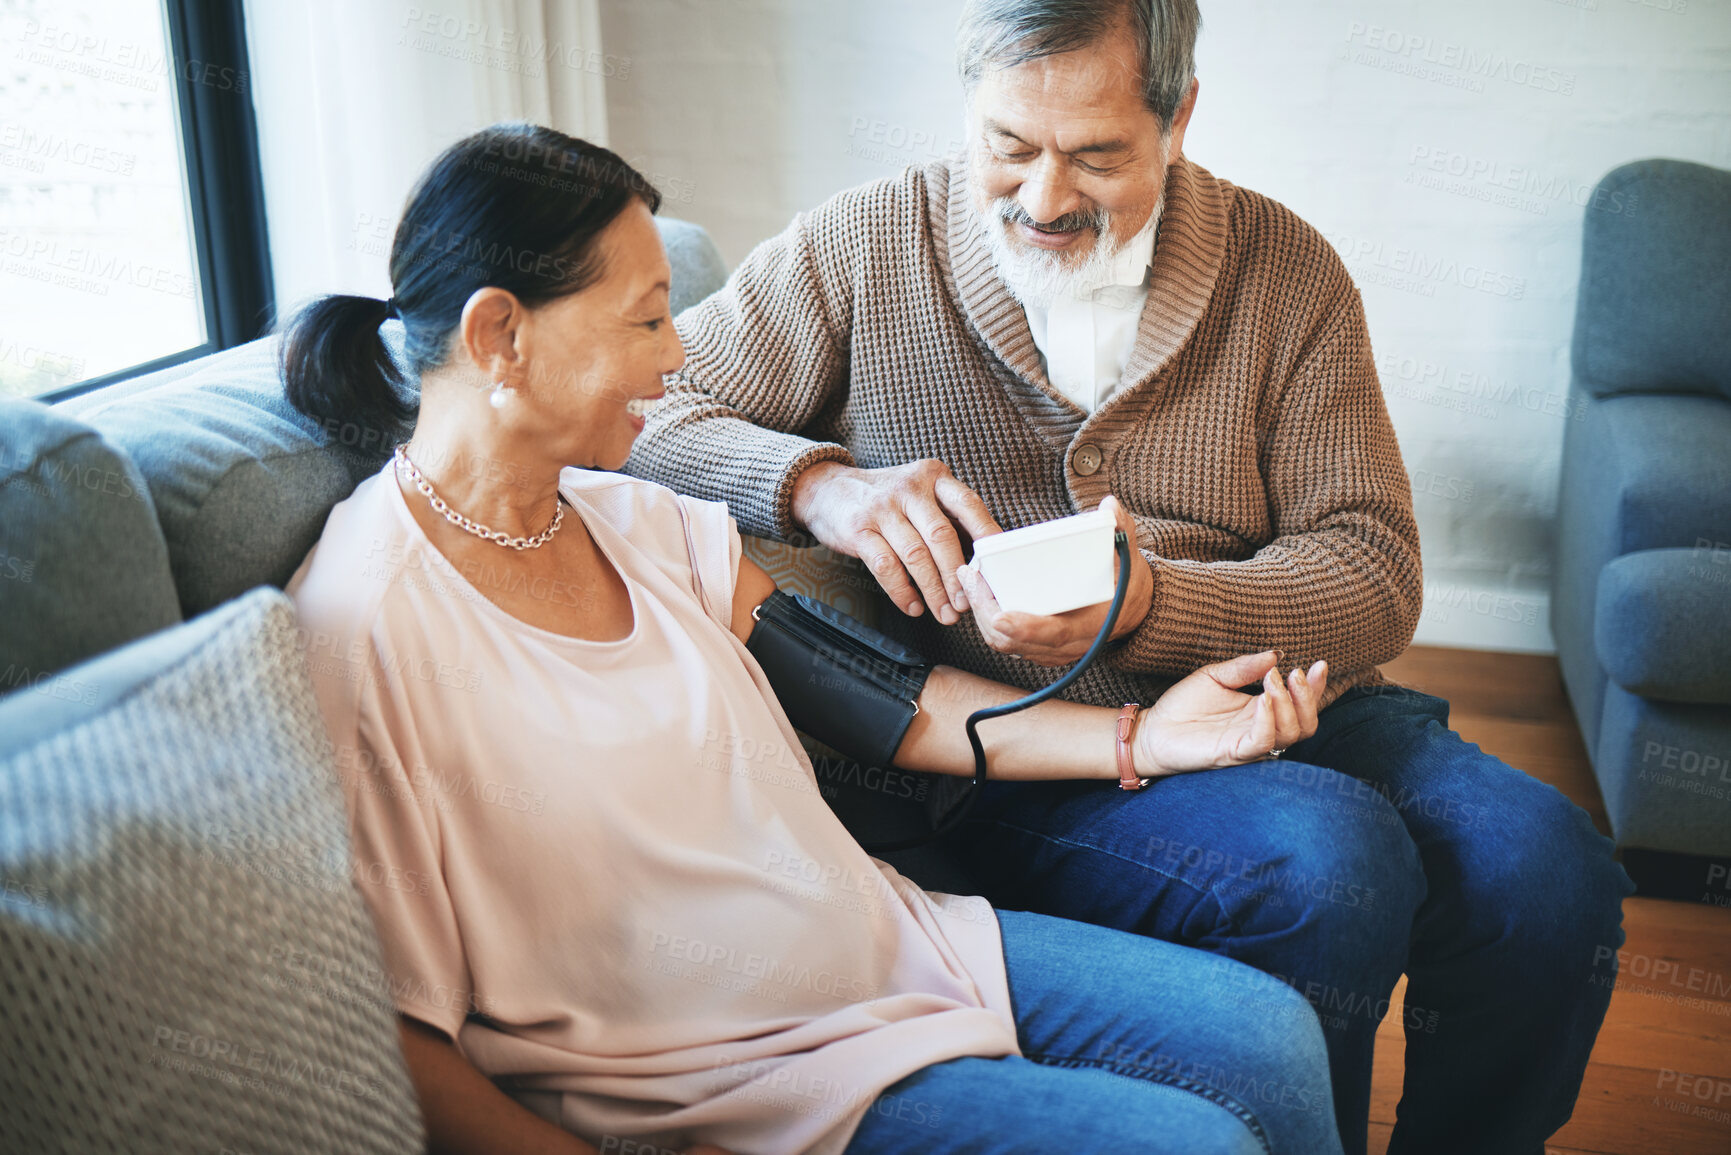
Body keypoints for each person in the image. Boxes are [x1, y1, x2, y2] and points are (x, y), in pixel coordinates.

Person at [619, 2, 1637, 1153]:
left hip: (1276, 701)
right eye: (1007, 146)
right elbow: (638, 410)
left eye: (1095, 156)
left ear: (1178, 118)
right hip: (1009, 752)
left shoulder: (1283, 270)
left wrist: (1152, 604)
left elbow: (1373, 567)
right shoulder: (864, 245)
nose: (1043, 200)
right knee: (1326, 864)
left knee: (1547, 872)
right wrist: (820, 484)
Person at [283, 122, 1343, 1155]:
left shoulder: (630, 521)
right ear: (498, 336)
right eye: (646, 321)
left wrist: (1142, 740)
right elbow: (396, 1040)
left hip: (893, 951)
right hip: (729, 1086)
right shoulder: (365, 625)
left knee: (1271, 1037)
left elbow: (888, 701)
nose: (679, 353)